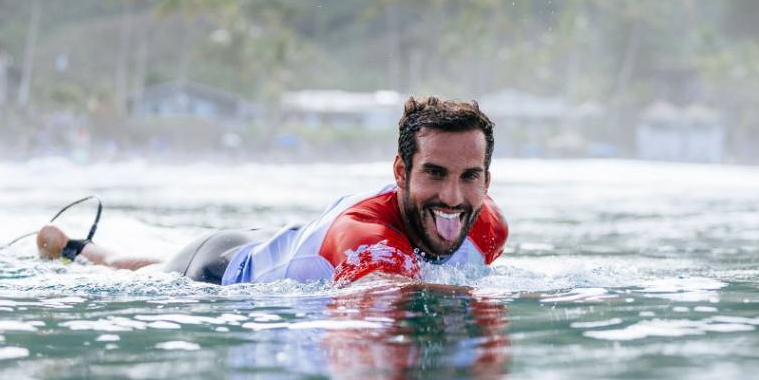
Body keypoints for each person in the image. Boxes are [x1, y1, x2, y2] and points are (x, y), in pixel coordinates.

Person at [36, 96, 509, 286]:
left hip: (284, 240)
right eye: (434, 173)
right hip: (222, 265)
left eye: (469, 176)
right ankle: (80, 249)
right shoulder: (367, 238)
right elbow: (396, 301)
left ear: (486, 182)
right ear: (401, 172)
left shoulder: (488, 226)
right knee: (138, 270)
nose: (452, 196)